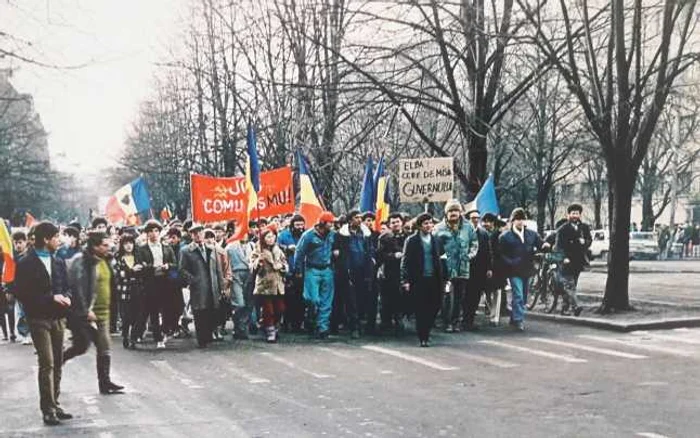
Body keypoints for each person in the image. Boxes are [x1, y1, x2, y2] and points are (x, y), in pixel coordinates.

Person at [13, 222, 73, 425]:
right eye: (56, 236)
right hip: (38, 318)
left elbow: (66, 287)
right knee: (46, 362)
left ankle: (55, 403)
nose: (59, 240)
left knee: (57, 361)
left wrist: (67, 297)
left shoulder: (58, 261)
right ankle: (47, 409)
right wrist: (51, 298)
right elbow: (22, 293)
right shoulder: (25, 262)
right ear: (46, 239)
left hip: (58, 317)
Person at [63, 232, 125, 395]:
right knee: (81, 346)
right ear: (94, 246)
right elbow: (78, 288)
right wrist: (85, 311)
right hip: (85, 313)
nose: (108, 247)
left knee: (104, 347)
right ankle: (59, 359)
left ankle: (105, 383)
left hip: (103, 312)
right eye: (104, 245)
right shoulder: (81, 261)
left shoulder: (106, 260)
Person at [499, 208, 548, 331]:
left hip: (527, 269)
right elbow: (501, 254)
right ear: (512, 221)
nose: (520, 222)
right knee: (518, 294)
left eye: (522, 219)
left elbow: (540, 243)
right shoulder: (505, 236)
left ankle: (514, 317)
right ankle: (519, 320)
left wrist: (545, 245)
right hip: (514, 270)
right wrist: (510, 262)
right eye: (517, 219)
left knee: (524, 296)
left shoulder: (531, 234)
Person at [400, 213, 446, 347]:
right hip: (418, 279)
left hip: (434, 279)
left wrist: (446, 278)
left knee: (435, 306)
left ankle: (427, 329)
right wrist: (405, 280)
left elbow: (443, 259)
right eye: (426, 223)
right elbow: (405, 261)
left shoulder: (436, 240)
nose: (429, 226)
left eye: (431, 223)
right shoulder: (412, 240)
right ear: (420, 226)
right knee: (421, 308)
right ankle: (423, 336)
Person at [434, 199, 478, 332]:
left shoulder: (468, 227)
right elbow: (434, 246)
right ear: (446, 213)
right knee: (447, 295)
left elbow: (474, 243)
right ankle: (446, 321)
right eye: (451, 211)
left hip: (463, 268)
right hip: (446, 268)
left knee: (459, 296)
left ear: (460, 212)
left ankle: (455, 322)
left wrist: (469, 256)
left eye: (456, 210)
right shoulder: (439, 228)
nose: (453, 213)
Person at [179, 224, 224, 348]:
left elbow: (218, 268)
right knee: (199, 312)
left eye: (200, 232)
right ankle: (202, 338)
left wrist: (221, 285)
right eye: (194, 233)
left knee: (211, 310)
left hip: (212, 284)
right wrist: (193, 280)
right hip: (198, 286)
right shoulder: (186, 250)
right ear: (191, 235)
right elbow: (182, 270)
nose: (198, 235)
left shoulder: (211, 248)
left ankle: (208, 335)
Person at [294, 211, 337, 339]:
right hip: (312, 269)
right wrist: (298, 270)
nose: (332, 225)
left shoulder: (333, 235)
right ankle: (310, 318)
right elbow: (299, 252)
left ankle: (322, 327)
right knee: (312, 299)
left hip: (327, 269)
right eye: (330, 223)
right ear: (323, 223)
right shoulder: (308, 235)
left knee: (326, 301)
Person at [136, 220, 176, 349]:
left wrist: (167, 266)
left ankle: (165, 331)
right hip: (150, 282)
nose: (154, 234)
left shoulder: (166, 247)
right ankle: (157, 337)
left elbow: (174, 264)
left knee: (167, 309)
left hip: (165, 282)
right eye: (151, 231)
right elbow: (140, 265)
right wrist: (151, 268)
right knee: (153, 310)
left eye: (156, 231)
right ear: (147, 234)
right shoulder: (142, 249)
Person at [335, 210, 375, 339]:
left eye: (360, 217)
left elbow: (370, 250)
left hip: (363, 271)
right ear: (350, 220)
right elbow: (338, 253)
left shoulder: (366, 234)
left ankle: (361, 323)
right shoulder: (341, 235)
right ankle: (354, 327)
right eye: (356, 217)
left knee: (361, 298)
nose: (359, 220)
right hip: (348, 271)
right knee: (350, 300)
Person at [250, 226, 288, 343]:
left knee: (280, 308)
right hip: (265, 285)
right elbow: (252, 267)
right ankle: (270, 330)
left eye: (272, 236)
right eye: (268, 237)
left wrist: (282, 267)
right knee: (268, 310)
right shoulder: (258, 250)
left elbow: (285, 263)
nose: (270, 239)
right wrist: (258, 262)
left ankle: (273, 326)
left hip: (278, 284)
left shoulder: (278, 250)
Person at [554, 204, 592, 317]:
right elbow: (558, 246)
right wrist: (563, 257)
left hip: (578, 261)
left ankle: (564, 308)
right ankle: (576, 306)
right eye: (573, 213)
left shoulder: (584, 227)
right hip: (566, 261)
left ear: (580, 214)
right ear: (568, 214)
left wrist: (584, 242)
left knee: (572, 284)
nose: (575, 215)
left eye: (577, 213)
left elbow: (589, 240)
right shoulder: (563, 229)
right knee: (569, 284)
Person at [376, 213, 408, 334]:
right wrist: (393, 256)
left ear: (402, 222)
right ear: (389, 224)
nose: (396, 224)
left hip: (403, 271)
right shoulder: (384, 238)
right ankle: (386, 321)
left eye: (398, 221)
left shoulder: (407, 236)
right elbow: (379, 255)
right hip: (388, 271)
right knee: (386, 297)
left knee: (400, 297)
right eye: (393, 222)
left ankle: (399, 319)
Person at [114, 233, 144, 349]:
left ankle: (133, 338)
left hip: (138, 290)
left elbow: (143, 269)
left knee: (138, 316)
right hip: (124, 291)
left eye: (130, 243)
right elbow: (117, 274)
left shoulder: (138, 256)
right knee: (126, 317)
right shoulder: (118, 258)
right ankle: (125, 335)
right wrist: (131, 271)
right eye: (126, 243)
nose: (128, 246)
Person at [277, 214, 306, 333]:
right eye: (297, 225)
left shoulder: (305, 235)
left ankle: (298, 323)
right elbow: (276, 247)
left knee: (300, 299)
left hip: (302, 271)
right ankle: (286, 322)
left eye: (301, 224)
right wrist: (287, 248)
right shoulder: (284, 235)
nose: (299, 227)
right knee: (288, 299)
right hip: (288, 271)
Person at [464, 209, 492, 331]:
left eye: (477, 218)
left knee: (475, 295)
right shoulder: (463, 232)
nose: (475, 220)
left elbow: (488, 252)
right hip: (465, 268)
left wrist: (489, 268)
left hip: (479, 269)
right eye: (473, 218)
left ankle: (470, 320)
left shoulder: (484, 234)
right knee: (465, 294)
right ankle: (464, 318)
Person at [226, 223, 254, 340]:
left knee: (249, 303)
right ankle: (237, 323)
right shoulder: (230, 247)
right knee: (239, 303)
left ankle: (242, 327)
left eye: (246, 233)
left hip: (250, 275)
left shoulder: (253, 246)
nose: (244, 236)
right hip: (236, 275)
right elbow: (226, 264)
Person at [481, 213, 507, 326]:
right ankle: (491, 310)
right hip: (484, 266)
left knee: (497, 291)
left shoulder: (499, 235)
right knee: (485, 291)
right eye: (485, 221)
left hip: (498, 267)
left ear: (493, 223)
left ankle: (495, 316)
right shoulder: (482, 234)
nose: (486, 223)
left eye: (489, 221)